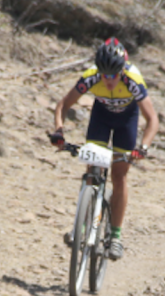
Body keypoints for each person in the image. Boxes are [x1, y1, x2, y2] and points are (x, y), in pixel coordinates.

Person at [51, 37, 159, 260]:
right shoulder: (91, 77)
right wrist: (59, 131)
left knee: (119, 176)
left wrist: (143, 147)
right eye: (104, 75)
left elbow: (153, 119)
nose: (109, 81)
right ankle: (81, 227)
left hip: (127, 121)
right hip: (101, 117)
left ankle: (115, 236)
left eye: (113, 75)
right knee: (93, 169)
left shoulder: (132, 80)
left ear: (122, 70)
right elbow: (63, 105)